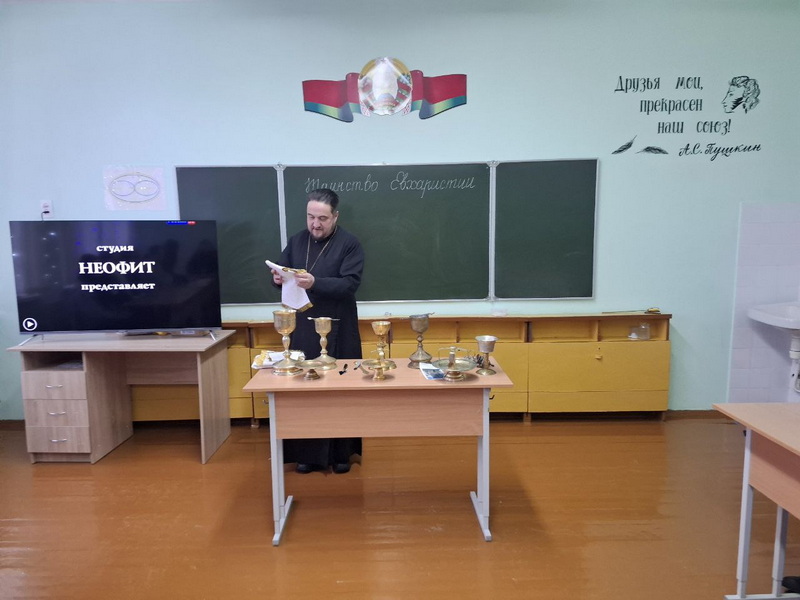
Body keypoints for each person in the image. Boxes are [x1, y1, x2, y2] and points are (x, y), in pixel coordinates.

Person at [271, 188, 364, 474]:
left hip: (340, 326)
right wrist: (278, 278)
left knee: (341, 390)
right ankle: (307, 455)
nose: (315, 224)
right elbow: (284, 271)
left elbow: (350, 284)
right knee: (305, 389)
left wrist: (315, 283)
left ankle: (341, 454)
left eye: (322, 218)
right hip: (304, 327)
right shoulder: (297, 241)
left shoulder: (349, 244)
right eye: (311, 217)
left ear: (335, 216)